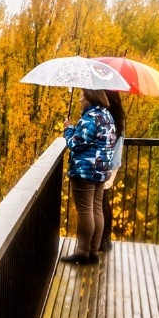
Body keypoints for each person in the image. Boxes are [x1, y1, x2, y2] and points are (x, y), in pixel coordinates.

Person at [61, 88, 118, 265]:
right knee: (96, 209)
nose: (79, 99)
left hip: (85, 171)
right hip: (101, 170)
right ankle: (93, 251)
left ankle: (82, 252)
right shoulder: (107, 116)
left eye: (81, 96)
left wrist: (68, 129)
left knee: (85, 211)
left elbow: (76, 144)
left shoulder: (90, 118)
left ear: (90, 98)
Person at [99, 89, 126, 251]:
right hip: (113, 163)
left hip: (106, 162)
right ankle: (105, 239)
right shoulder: (118, 117)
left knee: (100, 202)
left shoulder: (107, 118)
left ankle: (103, 240)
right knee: (103, 200)